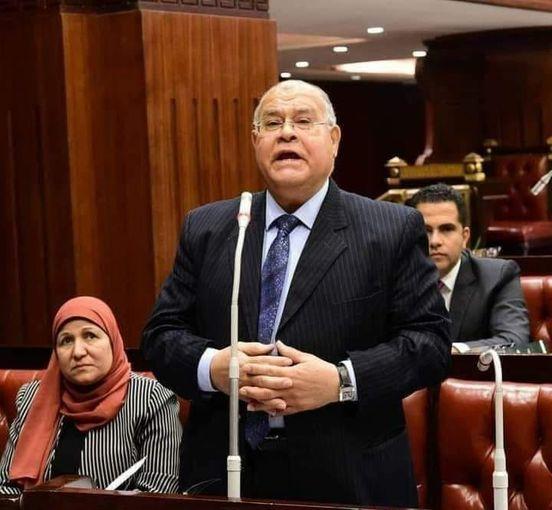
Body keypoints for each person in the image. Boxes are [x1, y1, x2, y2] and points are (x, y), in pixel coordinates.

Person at [142, 79, 451, 507]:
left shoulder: (389, 228)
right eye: (272, 123)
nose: (287, 132)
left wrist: (340, 381)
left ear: (334, 140)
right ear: (255, 141)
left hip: (348, 474)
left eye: (304, 121)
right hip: (224, 471)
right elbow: (160, 337)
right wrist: (214, 367)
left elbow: (430, 344)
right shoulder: (209, 227)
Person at [0, 296, 182, 495]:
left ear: (112, 340)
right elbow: (6, 487)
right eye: (66, 340)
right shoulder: (33, 398)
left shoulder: (151, 398)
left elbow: (158, 492)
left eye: (90, 336)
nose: (78, 352)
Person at [406, 183, 530, 352]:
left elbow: (514, 340)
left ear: (464, 237)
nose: (435, 241)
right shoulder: (395, 278)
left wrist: (457, 351)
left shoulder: (498, 276)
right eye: (425, 230)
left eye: (446, 229)